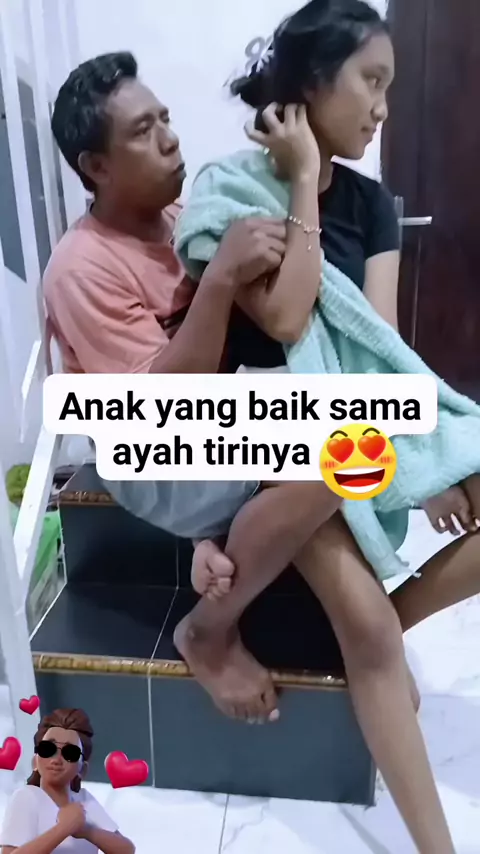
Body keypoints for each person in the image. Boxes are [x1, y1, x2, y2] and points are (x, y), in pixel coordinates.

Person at [175, 1, 480, 850]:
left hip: (353, 418)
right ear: (312, 82)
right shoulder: (233, 188)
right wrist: (304, 176)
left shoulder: (375, 206)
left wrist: (430, 458)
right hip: (271, 426)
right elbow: (282, 317)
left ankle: (389, 615)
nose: (382, 108)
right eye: (370, 82)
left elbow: (377, 344)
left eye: (390, 88)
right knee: (370, 634)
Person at [43, 50, 343, 728]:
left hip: (212, 422)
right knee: (339, 458)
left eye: (166, 119)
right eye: (143, 131)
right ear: (96, 166)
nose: (171, 139)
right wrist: (222, 278)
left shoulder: (182, 214)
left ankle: (220, 537)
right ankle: (207, 631)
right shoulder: (80, 267)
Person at [0, 708, 134, 854]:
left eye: (70, 753)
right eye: (47, 749)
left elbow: (126, 850)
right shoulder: (27, 797)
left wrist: (87, 830)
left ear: (82, 769)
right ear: (35, 762)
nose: (56, 760)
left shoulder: (85, 800)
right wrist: (63, 828)